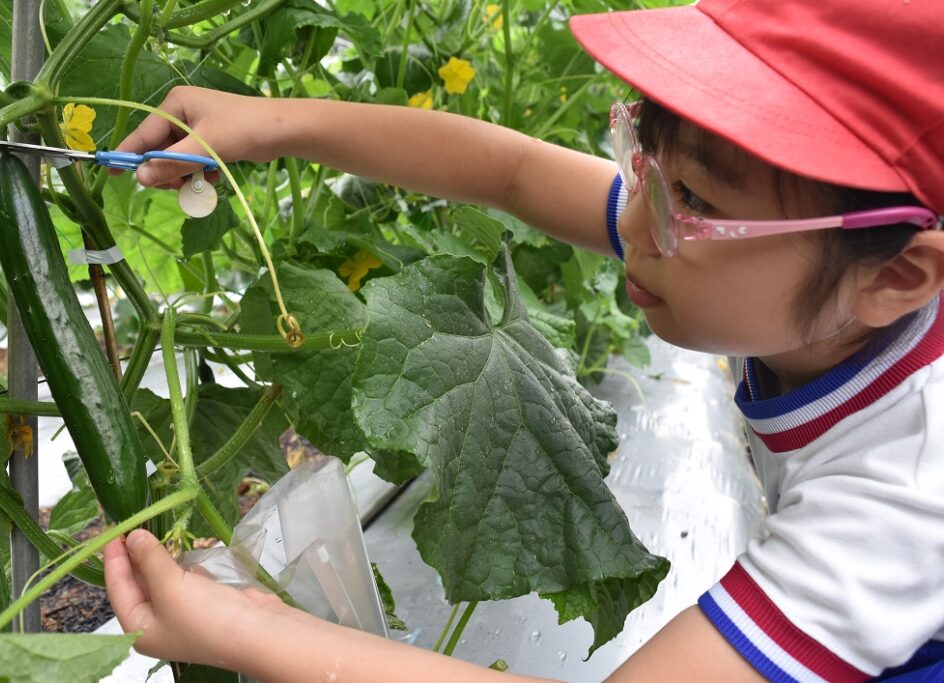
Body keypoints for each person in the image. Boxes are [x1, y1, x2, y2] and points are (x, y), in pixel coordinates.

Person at [103, 0, 944, 680]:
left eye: (693, 197)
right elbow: (508, 172)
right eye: (646, 158)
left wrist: (248, 627)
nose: (639, 218)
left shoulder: (908, 489)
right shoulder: (761, 260)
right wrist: (269, 122)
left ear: (898, 277)